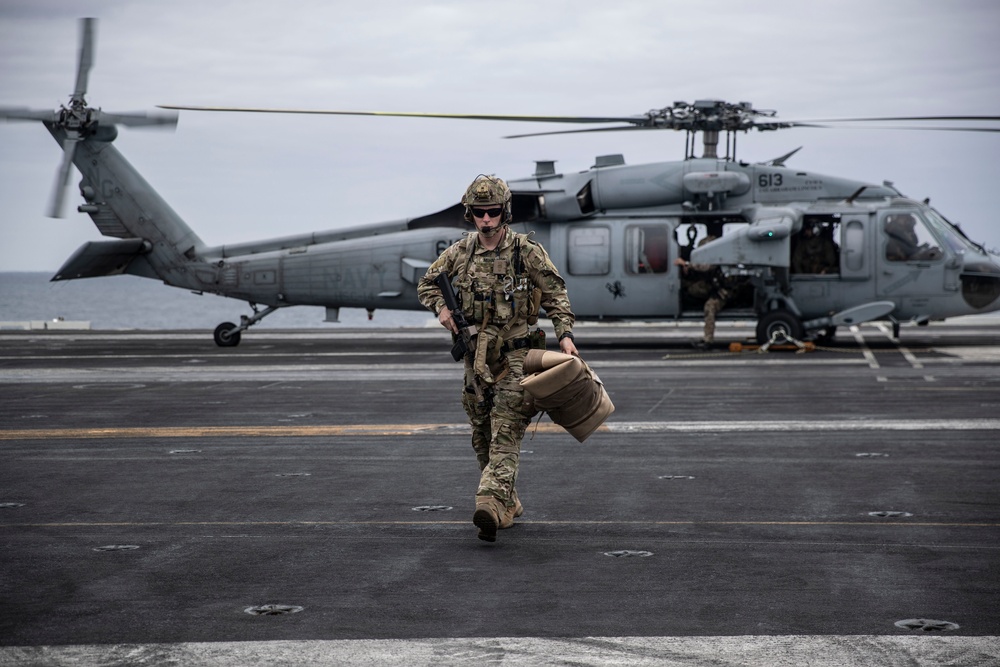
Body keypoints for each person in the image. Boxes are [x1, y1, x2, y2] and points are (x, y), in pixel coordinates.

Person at [417, 174, 578, 543]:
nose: (486, 220)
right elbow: (427, 283)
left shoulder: (526, 251)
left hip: (517, 356)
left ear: (504, 212)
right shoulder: (461, 252)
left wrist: (565, 336)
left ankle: (489, 501)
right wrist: (442, 307)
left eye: (492, 212)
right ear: (470, 214)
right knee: (481, 436)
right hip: (476, 361)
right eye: (479, 213)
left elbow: (556, 293)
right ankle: (508, 502)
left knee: (505, 429)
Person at [674, 235, 730, 348]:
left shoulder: (719, 257)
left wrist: (686, 264)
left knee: (709, 307)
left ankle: (708, 340)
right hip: (713, 286)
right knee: (690, 287)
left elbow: (706, 267)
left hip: (724, 291)